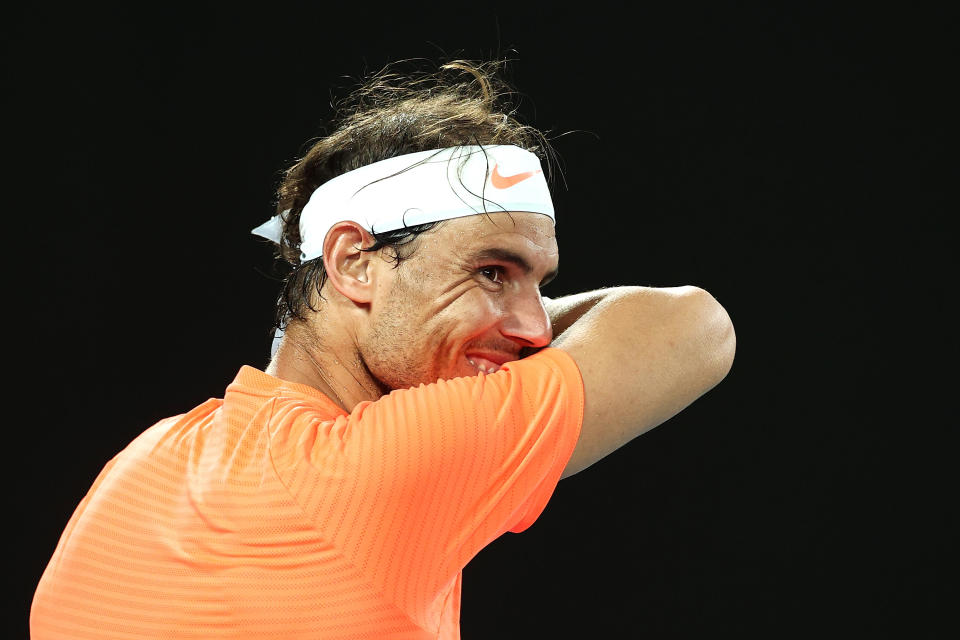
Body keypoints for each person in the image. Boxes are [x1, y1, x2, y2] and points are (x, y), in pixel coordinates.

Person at [31, 60, 736, 639]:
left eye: (538, 286)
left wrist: (479, 309)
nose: (535, 329)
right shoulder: (380, 466)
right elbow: (696, 328)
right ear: (355, 262)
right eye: (492, 272)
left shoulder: (141, 462)